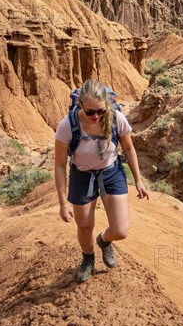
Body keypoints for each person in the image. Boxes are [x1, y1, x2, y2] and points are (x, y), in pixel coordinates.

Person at [54, 79, 149, 282]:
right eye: (90, 112)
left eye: (101, 111)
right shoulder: (67, 126)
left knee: (121, 231)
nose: (96, 116)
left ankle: (104, 241)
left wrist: (139, 181)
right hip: (82, 176)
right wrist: (63, 203)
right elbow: (60, 165)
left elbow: (129, 149)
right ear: (81, 106)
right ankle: (88, 259)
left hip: (111, 173)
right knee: (85, 225)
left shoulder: (117, 118)